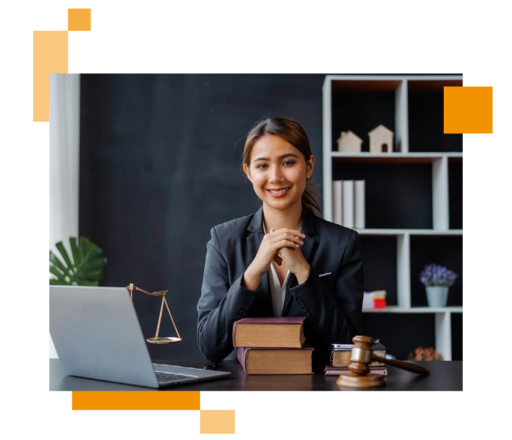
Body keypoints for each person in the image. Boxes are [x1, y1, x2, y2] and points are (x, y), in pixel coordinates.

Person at [196, 117, 364, 372]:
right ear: (248, 172)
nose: (275, 177)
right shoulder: (223, 240)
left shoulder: (343, 243)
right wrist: (252, 274)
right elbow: (210, 346)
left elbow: (346, 343)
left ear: (308, 166)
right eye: (262, 165)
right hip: (242, 392)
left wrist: (305, 275)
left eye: (288, 162)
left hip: (316, 392)